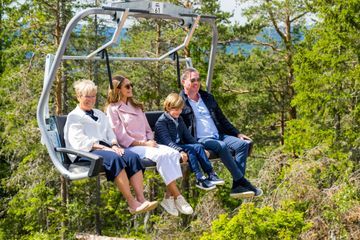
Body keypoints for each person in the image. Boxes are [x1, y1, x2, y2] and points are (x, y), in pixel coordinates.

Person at [64, 80, 158, 214]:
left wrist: (114, 144)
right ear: (78, 96)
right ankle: (132, 203)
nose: (91, 100)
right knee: (115, 158)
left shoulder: (99, 114)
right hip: (86, 152)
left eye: (93, 96)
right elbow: (79, 142)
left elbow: (110, 132)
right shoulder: (74, 117)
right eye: (87, 96)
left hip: (107, 148)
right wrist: (105, 148)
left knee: (132, 157)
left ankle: (141, 199)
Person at [105, 75, 194, 217]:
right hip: (131, 146)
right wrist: (144, 143)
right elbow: (120, 135)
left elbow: (147, 129)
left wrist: (150, 140)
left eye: (131, 85)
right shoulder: (113, 109)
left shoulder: (137, 107)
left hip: (147, 144)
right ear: (118, 89)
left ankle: (168, 197)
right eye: (127, 86)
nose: (131, 88)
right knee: (162, 155)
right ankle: (178, 196)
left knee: (174, 154)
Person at [179, 68, 263, 199]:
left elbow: (222, 118)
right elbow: (179, 127)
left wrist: (237, 133)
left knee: (242, 145)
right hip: (200, 139)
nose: (196, 83)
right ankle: (243, 182)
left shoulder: (207, 97)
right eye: (193, 80)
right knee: (221, 146)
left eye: (198, 80)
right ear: (184, 82)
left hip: (218, 134)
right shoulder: (180, 102)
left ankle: (237, 185)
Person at [155, 93, 225, 191]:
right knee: (191, 151)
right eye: (175, 109)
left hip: (179, 145)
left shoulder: (179, 119)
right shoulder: (162, 122)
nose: (178, 112)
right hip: (167, 148)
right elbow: (167, 142)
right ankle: (199, 177)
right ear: (168, 107)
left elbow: (188, 137)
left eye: (180, 109)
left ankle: (211, 173)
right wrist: (180, 151)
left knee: (198, 147)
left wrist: (201, 148)